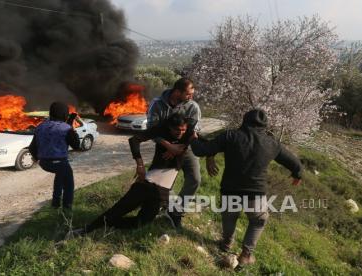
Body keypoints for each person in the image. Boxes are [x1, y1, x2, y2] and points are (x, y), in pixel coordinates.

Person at [190, 109, 303, 266]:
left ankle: (226, 244)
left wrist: (193, 138)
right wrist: (297, 174)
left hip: (230, 190)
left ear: (244, 120)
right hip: (255, 194)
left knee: (229, 217)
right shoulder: (271, 143)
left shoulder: (230, 136)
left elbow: (202, 150)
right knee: (258, 220)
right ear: (265, 126)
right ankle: (246, 255)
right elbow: (294, 162)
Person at [76, 113, 192, 234]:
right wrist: (140, 165)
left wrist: (179, 148)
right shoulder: (160, 130)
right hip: (148, 184)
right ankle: (86, 230)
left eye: (183, 129)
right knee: (118, 210)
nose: (180, 132)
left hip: (162, 191)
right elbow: (134, 140)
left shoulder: (188, 133)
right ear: (169, 127)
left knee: (142, 222)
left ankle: (107, 224)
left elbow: (197, 140)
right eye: (177, 130)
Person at [147, 77, 215, 227]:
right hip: (164, 148)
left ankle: (176, 211)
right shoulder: (157, 104)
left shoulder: (193, 107)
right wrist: (169, 146)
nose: (192, 97)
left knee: (195, 179)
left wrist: (179, 148)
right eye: (188, 94)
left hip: (187, 148)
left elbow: (194, 131)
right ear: (177, 91)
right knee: (162, 182)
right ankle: (164, 205)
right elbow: (151, 130)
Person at [29, 102, 80, 209]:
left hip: (44, 163)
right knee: (69, 185)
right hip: (60, 163)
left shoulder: (40, 126)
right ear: (65, 115)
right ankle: (67, 209)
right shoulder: (66, 128)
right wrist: (71, 126)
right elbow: (76, 145)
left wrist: (38, 159)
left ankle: (55, 204)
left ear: (51, 113)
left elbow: (32, 148)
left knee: (60, 175)